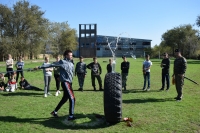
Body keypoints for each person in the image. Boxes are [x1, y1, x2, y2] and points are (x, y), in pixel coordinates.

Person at [37, 50, 76, 121]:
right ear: (66, 56)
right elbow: (51, 65)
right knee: (72, 98)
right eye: (70, 55)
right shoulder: (62, 62)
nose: (71, 56)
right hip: (65, 82)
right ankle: (71, 116)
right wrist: (40, 67)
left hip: (69, 83)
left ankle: (54, 112)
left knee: (65, 98)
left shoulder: (71, 62)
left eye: (71, 55)